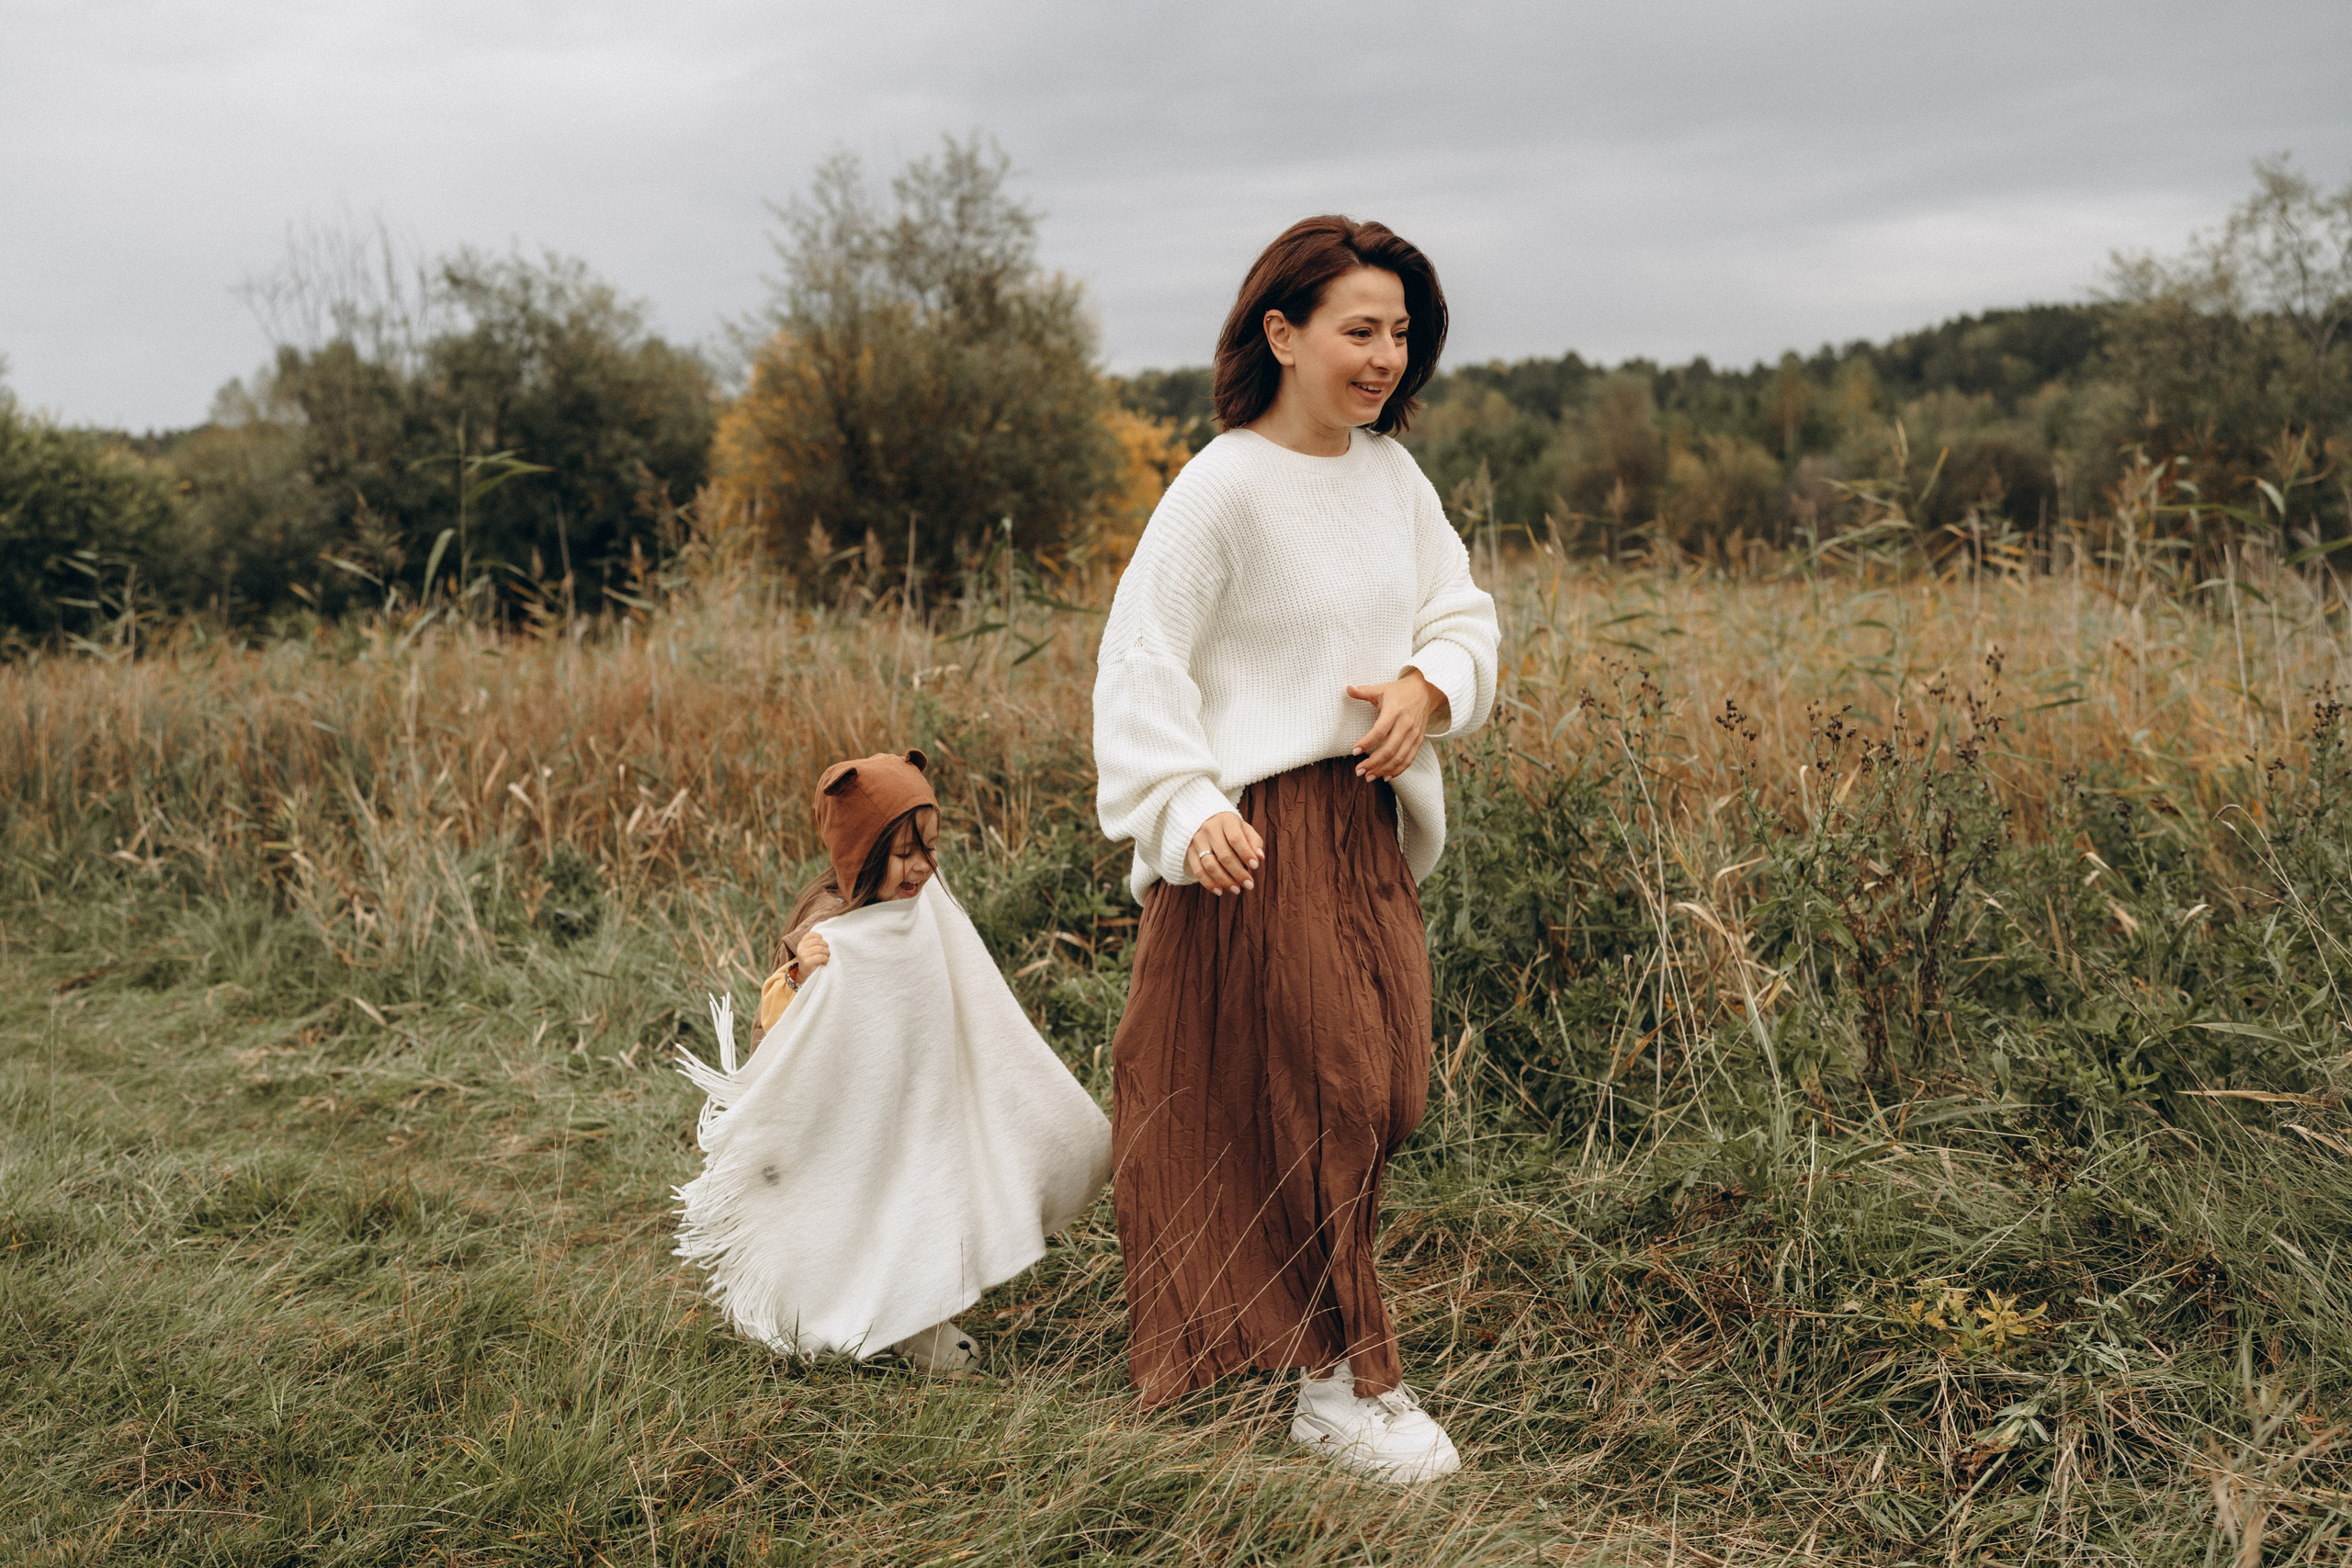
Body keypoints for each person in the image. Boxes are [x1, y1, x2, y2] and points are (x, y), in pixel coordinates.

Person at [1092, 215, 1499, 1483]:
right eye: (1359, 329)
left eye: (1401, 333)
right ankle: (1342, 1380)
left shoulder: (1392, 478)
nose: (1386, 356)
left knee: (1387, 1088)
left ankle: (1297, 1337)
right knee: (1327, 1095)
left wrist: (1430, 686)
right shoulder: (1220, 485)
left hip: (1363, 825)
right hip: (1251, 838)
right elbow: (1140, 662)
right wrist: (1183, 801)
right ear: (1284, 331)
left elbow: (1461, 610)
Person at [675, 750, 1113, 1373]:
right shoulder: (831, 923)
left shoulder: (920, 909)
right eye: (905, 852)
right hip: (837, 1110)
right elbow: (779, 1022)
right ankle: (855, 1315)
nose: (922, 867)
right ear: (862, 850)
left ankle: (917, 1316)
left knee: (921, 1194)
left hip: (911, 1094)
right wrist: (803, 973)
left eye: (931, 848)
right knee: (850, 1209)